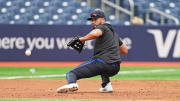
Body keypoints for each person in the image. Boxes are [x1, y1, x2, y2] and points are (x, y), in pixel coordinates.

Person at [57, 9, 128, 93]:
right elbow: (125, 50)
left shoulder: (102, 27)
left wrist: (82, 39)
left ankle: (72, 84)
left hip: (102, 64)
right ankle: (107, 85)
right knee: (103, 69)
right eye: (92, 20)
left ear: (103, 19)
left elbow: (95, 33)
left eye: (95, 19)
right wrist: (111, 54)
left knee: (71, 73)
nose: (93, 21)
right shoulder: (114, 33)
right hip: (115, 67)